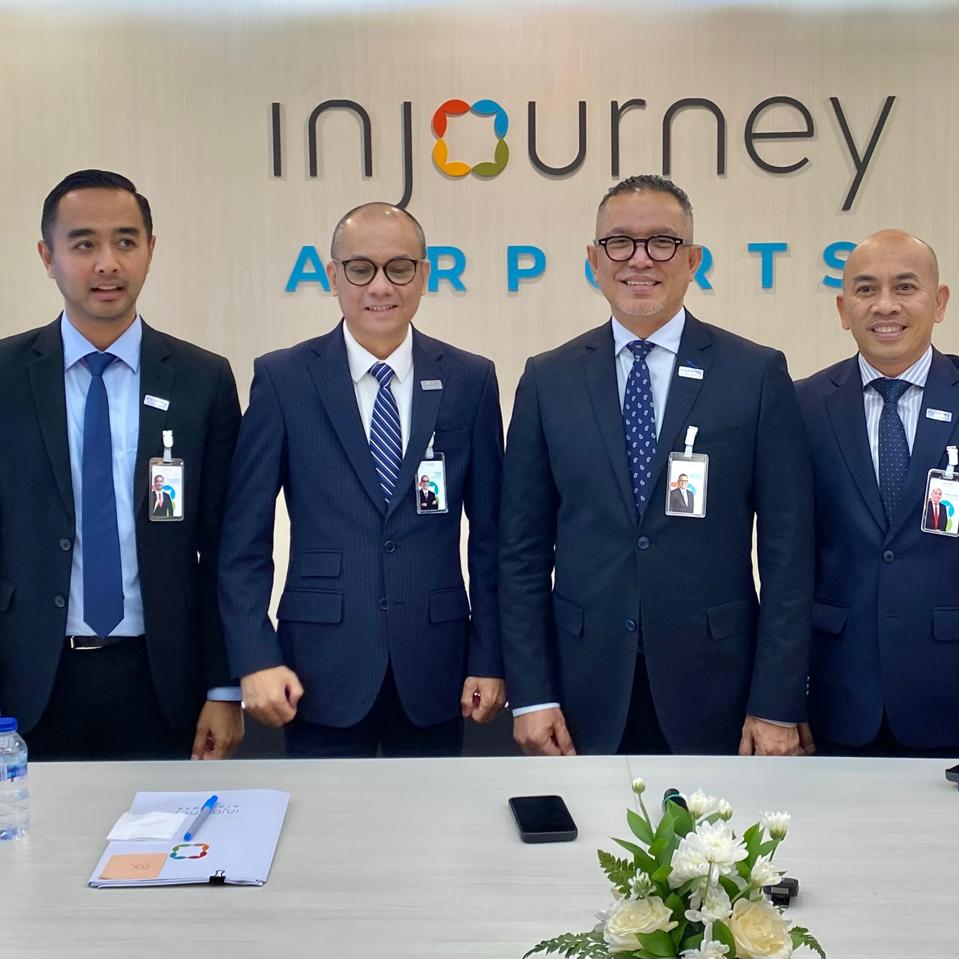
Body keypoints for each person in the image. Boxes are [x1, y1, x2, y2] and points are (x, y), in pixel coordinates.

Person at [500, 175, 814, 756]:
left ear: (693, 260)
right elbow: (520, 551)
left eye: (662, 242)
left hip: (717, 687)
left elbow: (788, 555)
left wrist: (776, 701)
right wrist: (531, 694)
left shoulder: (755, 374)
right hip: (581, 687)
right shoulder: (548, 379)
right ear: (594, 260)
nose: (640, 259)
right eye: (620, 242)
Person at [218, 202, 504, 758]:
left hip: (436, 664)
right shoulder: (283, 378)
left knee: (433, 814)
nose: (380, 286)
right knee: (324, 816)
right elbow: (242, 540)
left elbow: (493, 538)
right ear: (333, 276)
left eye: (399, 268)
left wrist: (489, 656)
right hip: (318, 665)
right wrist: (255, 655)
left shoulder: (469, 379)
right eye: (360, 269)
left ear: (424, 274)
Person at [0, 169, 243, 760]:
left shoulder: (202, 380)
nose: (107, 263)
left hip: (163, 684)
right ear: (47, 257)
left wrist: (223, 687)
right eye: (83, 243)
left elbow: (226, 547)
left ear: (150, 250)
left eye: (126, 241)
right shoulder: (6, 376)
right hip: (27, 681)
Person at [795, 229, 959, 758]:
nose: (885, 305)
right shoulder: (802, 405)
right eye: (866, 289)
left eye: (905, 287)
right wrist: (781, 699)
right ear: (843, 309)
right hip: (837, 699)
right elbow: (788, 563)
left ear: (939, 302)